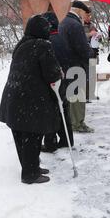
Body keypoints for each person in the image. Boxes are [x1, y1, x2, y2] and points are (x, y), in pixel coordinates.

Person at [0, 14, 62, 185]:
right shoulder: (43, 46)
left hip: (14, 98)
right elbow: (52, 74)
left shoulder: (22, 45)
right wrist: (59, 72)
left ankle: (30, 167)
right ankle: (30, 174)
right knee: (33, 136)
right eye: (46, 29)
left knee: (22, 137)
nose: (49, 31)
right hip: (31, 100)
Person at [59, 1, 96, 133]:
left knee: (72, 95)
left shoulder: (64, 22)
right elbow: (82, 49)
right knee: (78, 97)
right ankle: (77, 123)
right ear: (80, 10)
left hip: (67, 65)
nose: (86, 16)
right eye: (86, 13)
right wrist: (92, 52)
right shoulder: (75, 25)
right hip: (77, 65)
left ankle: (72, 122)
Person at [41, 12, 74, 153]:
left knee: (51, 112)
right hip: (66, 78)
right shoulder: (62, 37)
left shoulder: (47, 41)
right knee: (63, 110)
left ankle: (50, 143)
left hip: (54, 81)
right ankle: (67, 140)